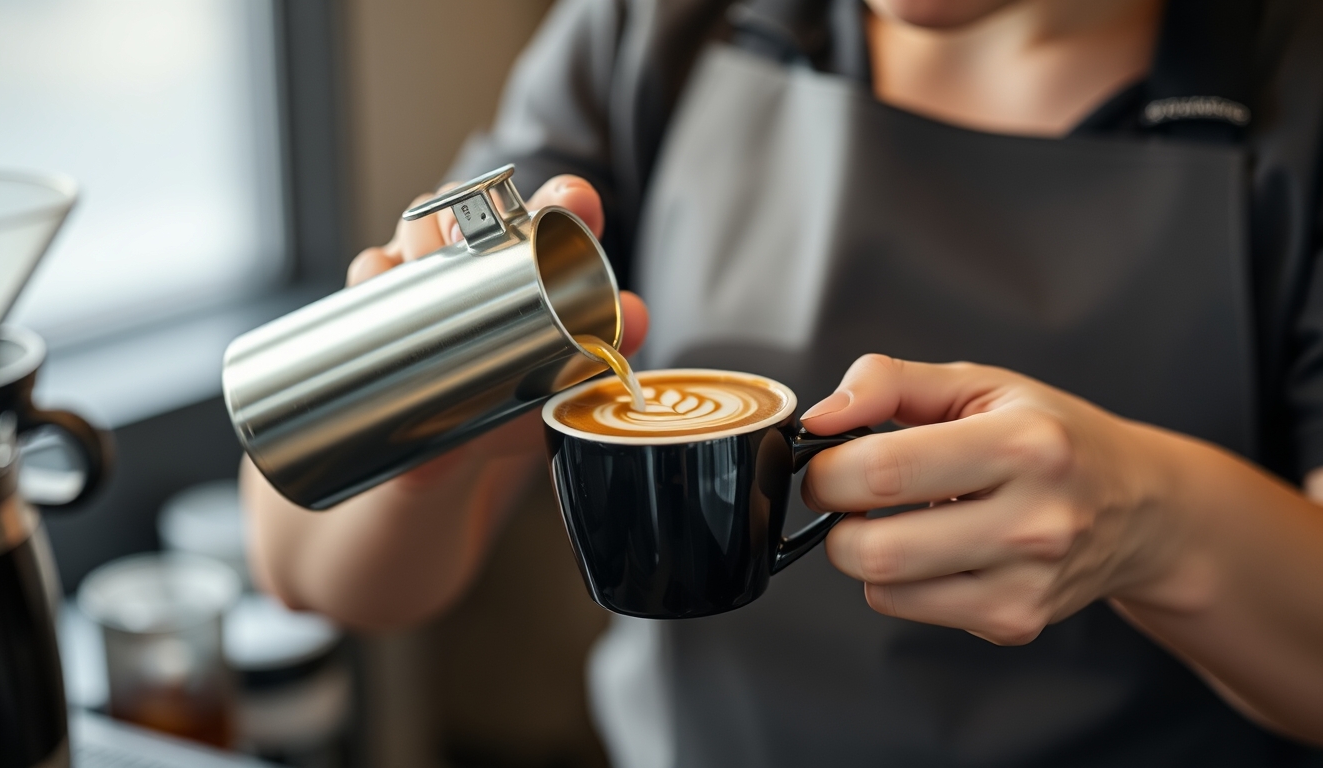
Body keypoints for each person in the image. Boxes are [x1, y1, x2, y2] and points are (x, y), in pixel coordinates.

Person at [242, 0, 1323, 763]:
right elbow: (302, 564)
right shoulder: (657, 29)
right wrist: (432, 429)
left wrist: (1156, 522)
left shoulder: (1293, 84)